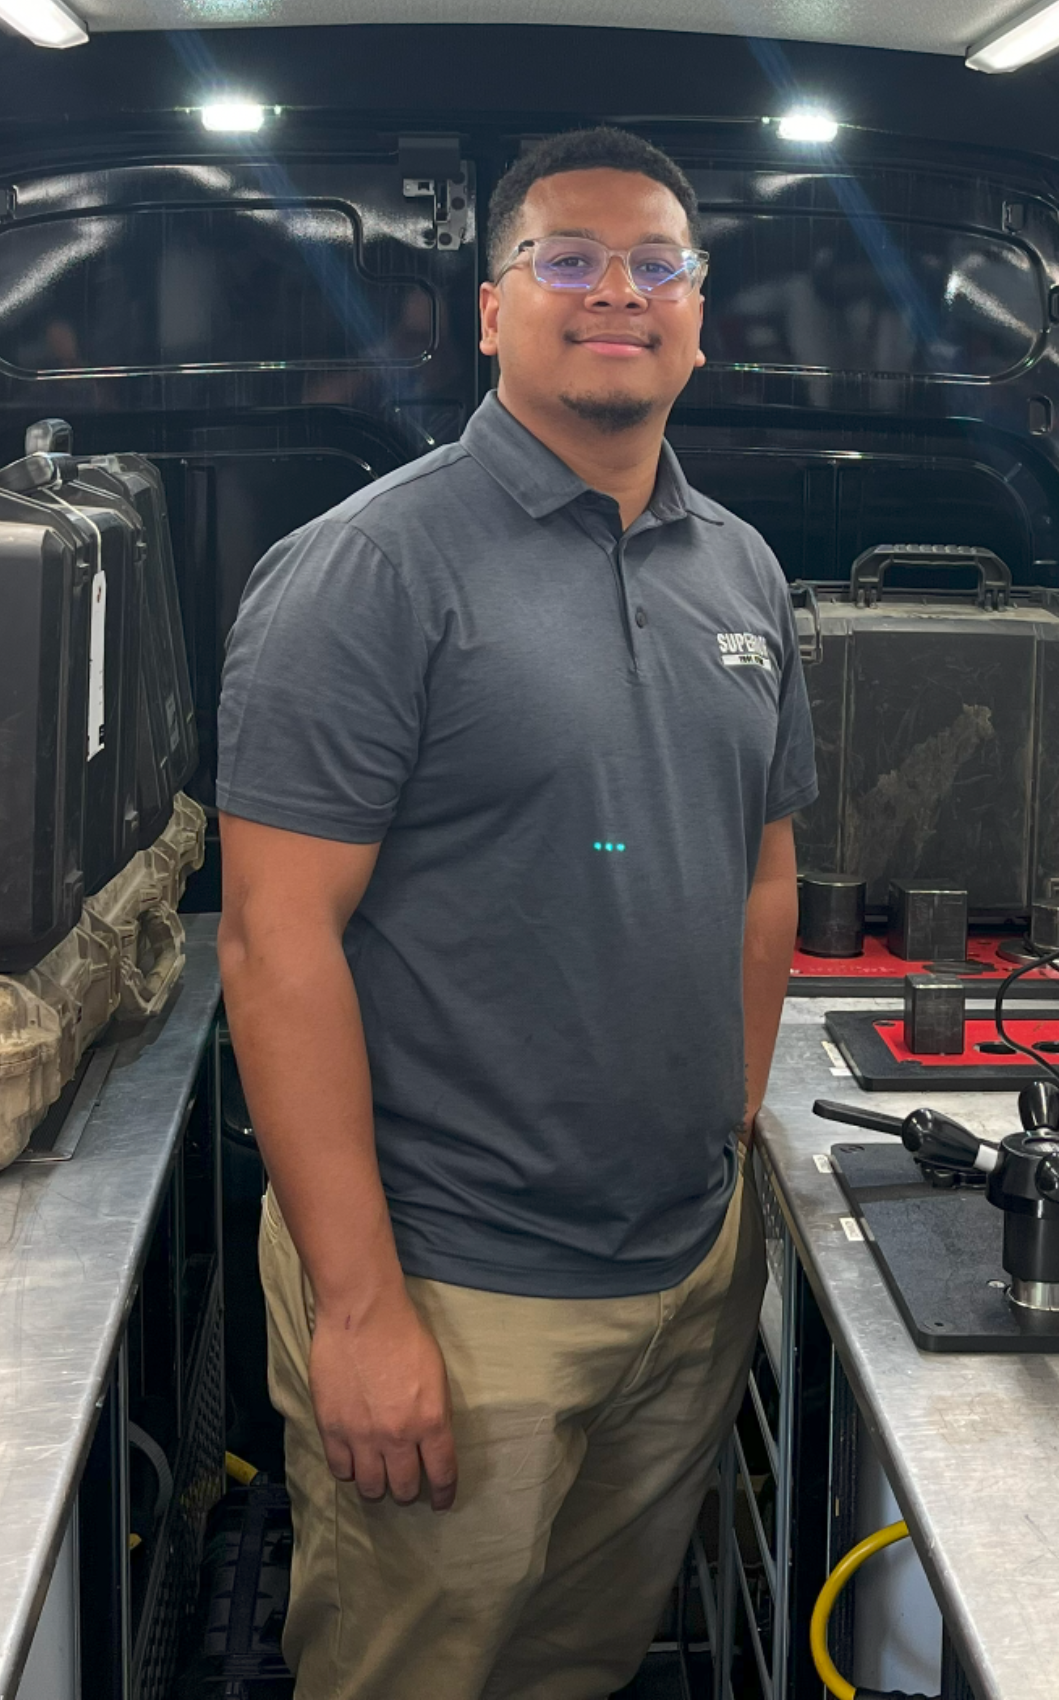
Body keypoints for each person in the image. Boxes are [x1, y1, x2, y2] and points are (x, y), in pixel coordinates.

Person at [217, 124, 812, 1700]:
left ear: (699, 308)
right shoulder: (369, 569)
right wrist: (359, 1312)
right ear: (491, 310)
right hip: (458, 1283)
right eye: (566, 258)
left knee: (576, 1665)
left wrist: (729, 1125)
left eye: (654, 262)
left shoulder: (741, 572)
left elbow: (763, 869)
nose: (614, 290)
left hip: (683, 1269)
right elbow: (274, 939)